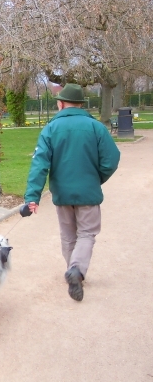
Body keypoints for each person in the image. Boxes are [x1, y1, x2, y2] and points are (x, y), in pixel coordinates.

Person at [24, 83, 120, 302]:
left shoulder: (50, 129)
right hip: (88, 191)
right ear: (80, 104)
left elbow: (39, 165)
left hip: (62, 193)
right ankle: (76, 270)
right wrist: (98, 178)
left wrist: (32, 197)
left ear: (61, 103)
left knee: (68, 235)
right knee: (87, 233)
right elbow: (111, 160)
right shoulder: (96, 128)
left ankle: (72, 269)